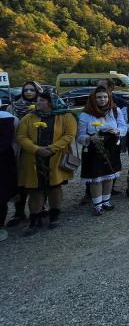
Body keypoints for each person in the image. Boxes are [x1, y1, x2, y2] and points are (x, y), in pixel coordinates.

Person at [17, 91, 77, 233]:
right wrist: (37, 149)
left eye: (41, 100)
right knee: (35, 190)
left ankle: (54, 214)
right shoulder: (28, 118)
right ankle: (34, 220)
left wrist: (51, 148)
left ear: (51, 102)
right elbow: (21, 136)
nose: (37, 103)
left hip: (55, 157)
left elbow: (69, 135)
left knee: (54, 188)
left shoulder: (66, 116)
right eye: (37, 101)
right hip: (33, 158)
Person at [78, 86, 127, 215]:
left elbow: (123, 127)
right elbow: (79, 137)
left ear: (109, 97)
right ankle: (97, 205)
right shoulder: (86, 113)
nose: (102, 99)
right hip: (93, 148)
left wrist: (117, 131)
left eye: (105, 97)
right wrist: (89, 137)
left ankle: (106, 201)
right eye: (99, 97)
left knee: (109, 175)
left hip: (111, 146)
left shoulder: (115, 110)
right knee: (96, 177)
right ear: (93, 98)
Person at [5, 81, 44, 227]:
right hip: (18, 147)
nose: (28, 92)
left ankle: (40, 208)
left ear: (37, 92)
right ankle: (19, 212)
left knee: (39, 177)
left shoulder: (43, 106)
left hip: (38, 145)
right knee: (20, 179)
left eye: (31, 90)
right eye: (26, 90)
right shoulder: (13, 107)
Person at [0, 101, 19, 241]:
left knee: (2, 194)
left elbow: (14, 141)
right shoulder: (10, 118)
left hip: (4, 161)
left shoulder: (8, 118)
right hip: (6, 159)